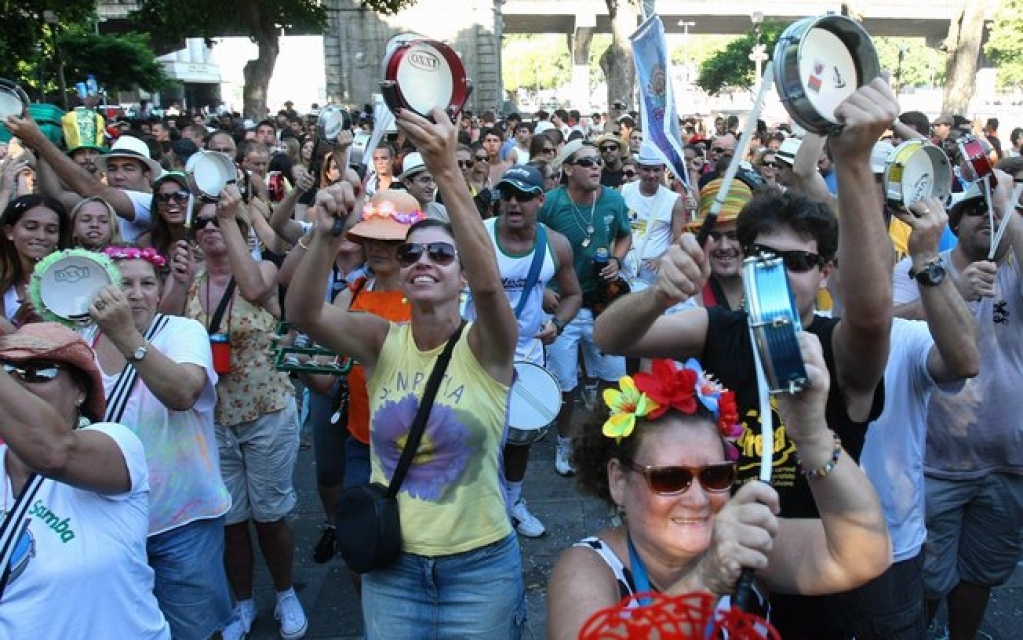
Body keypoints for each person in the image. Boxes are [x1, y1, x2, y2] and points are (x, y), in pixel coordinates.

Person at [593, 77, 898, 639]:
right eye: (763, 257)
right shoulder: (719, 328)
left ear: (825, 273)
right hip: (717, 571)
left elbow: (874, 315)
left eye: (799, 263)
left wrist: (852, 166)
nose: (779, 273)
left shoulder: (838, 347)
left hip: (818, 573)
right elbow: (610, 337)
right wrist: (660, 293)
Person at [286, 107, 524, 638]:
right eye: (412, 253)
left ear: (461, 273)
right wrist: (326, 235)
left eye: (442, 254)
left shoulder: (487, 345)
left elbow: (490, 288)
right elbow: (304, 313)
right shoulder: (377, 338)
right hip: (393, 565)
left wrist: (446, 170)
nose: (423, 261)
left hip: (480, 566)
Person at [547, 341, 891, 640]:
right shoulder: (590, 566)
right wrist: (707, 579)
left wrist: (812, 433)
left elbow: (864, 552)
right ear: (618, 481)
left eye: (714, 475)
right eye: (669, 478)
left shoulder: (739, 543)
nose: (697, 499)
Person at [834, 198, 979, 638]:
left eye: (873, 263)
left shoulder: (909, 336)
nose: (860, 276)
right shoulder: (797, 333)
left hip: (891, 547)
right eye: (846, 263)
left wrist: (926, 259)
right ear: (828, 271)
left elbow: (964, 361)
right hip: (807, 540)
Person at [893, 172, 1023, 640]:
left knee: (982, 572)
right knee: (926, 577)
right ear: (955, 219)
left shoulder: (1016, 268)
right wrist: (951, 291)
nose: (987, 217)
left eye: (996, 210)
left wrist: (1008, 200)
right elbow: (882, 326)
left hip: (1007, 461)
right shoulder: (922, 265)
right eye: (976, 209)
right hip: (935, 459)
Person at [83, 245, 237, 638]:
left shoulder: (183, 331)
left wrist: (125, 336)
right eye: (124, 284)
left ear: (159, 290)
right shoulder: (80, 341)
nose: (136, 294)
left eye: (146, 283)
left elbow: (183, 393)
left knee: (195, 630)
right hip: (107, 521)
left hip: (182, 520)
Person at [183, 186, 307, 639]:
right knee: (231, 520)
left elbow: (255, 288)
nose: (211, 228)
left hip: (267, 411)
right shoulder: (189, 282)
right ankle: (242, 603)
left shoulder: (264, 269)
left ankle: (286, 593)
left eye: (223, 220)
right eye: (203, 222)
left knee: (270, 516)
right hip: (211, 419)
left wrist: (237, 218)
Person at [0, 322, 170, 638]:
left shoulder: (117, 444)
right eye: (8, 369)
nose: (15, 383)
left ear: (80, 391)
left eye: (38, 372)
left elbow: (54, 454)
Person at [465, 164, 582, 538]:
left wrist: (558, 324)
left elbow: (574, 295)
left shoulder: (556, 244)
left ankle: (513, 502)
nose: (513, 203)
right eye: (507, 195)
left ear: (540, 201)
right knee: (475, 432)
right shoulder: (477, 236)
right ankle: (480, 506)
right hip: (476, 350)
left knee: (521, 434)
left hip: (528, 352)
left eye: (523, 196)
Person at [540, 140, 632, 477]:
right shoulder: (550, 203)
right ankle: (564, 443)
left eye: (598, 161)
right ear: (568, 169)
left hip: (601, 303)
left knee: (614, 379)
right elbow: (532, 242)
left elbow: (624, 235)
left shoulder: (613, 199)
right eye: (587, 161)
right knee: (565, 385)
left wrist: (617, 259)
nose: (597, 167)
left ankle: (608, 442)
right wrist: (541, 290)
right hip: (561, 303)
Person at [0, 194, 72, 331]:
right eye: (31, 227)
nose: (41, 236)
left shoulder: (74, 281)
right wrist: (19, 318)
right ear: (9, 232)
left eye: (51, 230)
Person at [619, 144, 685, 290]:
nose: (651, 175)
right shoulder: (624, 191)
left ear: (663, 170)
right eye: (646, 169)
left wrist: (662, 258)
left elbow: (679, 239)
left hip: (653, 275)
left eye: (656, 170)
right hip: (622, 270)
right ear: (637, 168)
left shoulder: (674, 200)